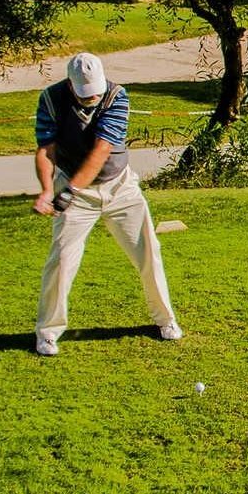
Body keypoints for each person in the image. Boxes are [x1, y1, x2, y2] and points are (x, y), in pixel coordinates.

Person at [31, 52, 180, 356]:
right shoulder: (50, 98)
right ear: (71, 84)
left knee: (149, 252)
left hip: (120, 188)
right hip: (74, 190)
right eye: (86, 92)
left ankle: (165, 319)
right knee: (60, 259)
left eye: (96, 89)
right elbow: (46, 150)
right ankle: (47, 332)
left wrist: (68, 190)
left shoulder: (116, 96)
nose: (94, 96)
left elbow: (101, 152)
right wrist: (47, 190)